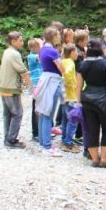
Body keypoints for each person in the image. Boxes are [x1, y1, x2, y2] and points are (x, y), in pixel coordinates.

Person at [77, 39, 106, 168]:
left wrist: (78, 102)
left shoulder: (82, 64)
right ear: (100, 49)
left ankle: (95, 159)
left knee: (91, 130)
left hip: (88, 100)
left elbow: (78, 86)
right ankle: (104, 159)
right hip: (104, 100)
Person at [35, 26, 64, 157]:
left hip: (45, 79)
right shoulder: (52, 51)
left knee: (43, 112)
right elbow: (62, 68)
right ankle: (47, 146)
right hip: (52, 82)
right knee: (47, 114)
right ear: (53, 36)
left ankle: (42, 142)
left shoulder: (42, 50)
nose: (59, 36)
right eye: (57, 34)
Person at [0, 31, 31, 149]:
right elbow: (23, 71)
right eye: (20, 40)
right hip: (11, 88)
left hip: (3, 86)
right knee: (17, 113)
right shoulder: (14, 54)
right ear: (13, 41)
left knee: (7, 114)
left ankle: (7, 137)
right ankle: (11, 140)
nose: (22, 43)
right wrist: (31, 87)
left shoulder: (6, 51)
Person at [60, 44, 81, 153]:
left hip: (63, 96)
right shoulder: (70, 63)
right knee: (73, 120)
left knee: (65, 119)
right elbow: (67, 74)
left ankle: (64, 140)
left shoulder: (63, 61)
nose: (77, 54)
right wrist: (71, 85)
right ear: (71, 52)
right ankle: (68, 142)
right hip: (71, 95)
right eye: (76, 52)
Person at [27, 38, 43, 141]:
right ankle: (35, 133)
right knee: (36, 108)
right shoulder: (31, 56)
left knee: (41, 107)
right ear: (33, 48)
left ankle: (40, 130)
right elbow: (41, 57)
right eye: (38, 46)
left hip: (40, 83)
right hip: (36, 84)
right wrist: (42, 44)